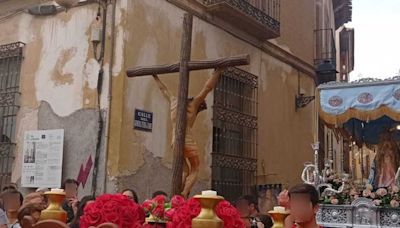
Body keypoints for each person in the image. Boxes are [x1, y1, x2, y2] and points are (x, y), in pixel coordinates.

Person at [152, 68, 224, 197]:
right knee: (195, 167)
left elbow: (163, 89)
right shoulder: (193, 105)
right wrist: (218, 72)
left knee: (184, 169)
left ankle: (178, 193)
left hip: (174, 141)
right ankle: (184, 192)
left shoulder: (173, 101)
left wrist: (155, 76)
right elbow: (207, 88)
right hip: (187, 139)